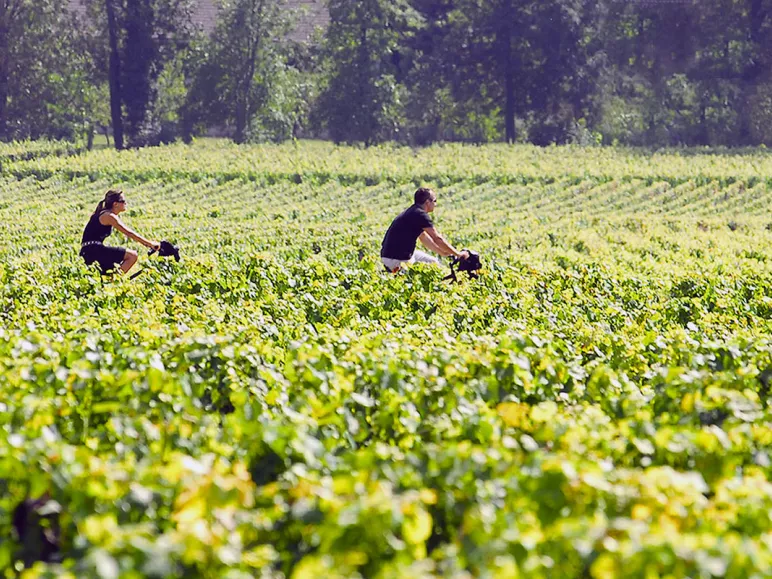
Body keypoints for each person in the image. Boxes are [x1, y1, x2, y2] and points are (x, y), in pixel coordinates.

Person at [381, 187, 469, 273]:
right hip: (396, 259)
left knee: (434, 263)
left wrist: (441, 252)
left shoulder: (414, 211)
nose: (436, 204)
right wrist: (458, 254)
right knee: (416, 279)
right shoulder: (420, 215)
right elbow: (437, 238)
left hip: (398, 255)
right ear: (427, 202)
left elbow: (423, 237)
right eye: (434, 201)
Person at [80, 190, 159, 274]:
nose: (125, 203)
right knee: (132, 256)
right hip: (93, 250)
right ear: (115, 204)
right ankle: (115, 283)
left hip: (90, 249)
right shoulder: (109, 216)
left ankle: (112, 281)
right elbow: (129, 233)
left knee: (108, 273)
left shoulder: (105, 214)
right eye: (123, 201)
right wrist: (149, 244)